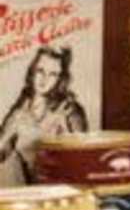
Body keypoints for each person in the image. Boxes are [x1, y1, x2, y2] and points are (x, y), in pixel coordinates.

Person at [0, 44, 90, 181]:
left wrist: (64, 129)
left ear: (61, 79)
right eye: (40, 71)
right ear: (32, 71)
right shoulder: (20, 111)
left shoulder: (69, 110)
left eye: (52, 74)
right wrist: (8, 135)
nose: (44, 79)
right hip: (24, 188)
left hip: (58, 187)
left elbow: (83, 161)